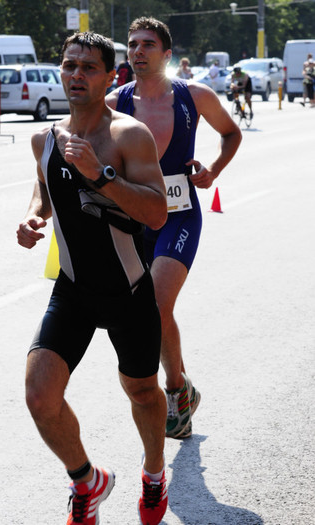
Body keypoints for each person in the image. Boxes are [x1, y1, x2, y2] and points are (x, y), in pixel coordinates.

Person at [17, 31, 169, 525]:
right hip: (74, 288)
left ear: (109, 76)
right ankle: (87, 480)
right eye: (69, 65)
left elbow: (156, 214)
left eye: (88, 68)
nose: (76, 74)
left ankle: (153, 474)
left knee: (142, 391)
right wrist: (34, 217)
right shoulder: (45, 139)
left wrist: (100, 174)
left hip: (127, 289)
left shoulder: (128, 136)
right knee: (40, 396)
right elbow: (43, 188)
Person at [106, 17, 242, 440]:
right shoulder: (114, 103)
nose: (138, 51)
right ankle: (183, 388)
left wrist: (212, 171)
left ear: (167, 54)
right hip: (133, 219)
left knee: (156, 306)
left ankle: (173, 395)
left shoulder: (194, 95)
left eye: (148, 44)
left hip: (179, 216)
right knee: (151, 312)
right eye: (132, 44)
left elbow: (231, 133)